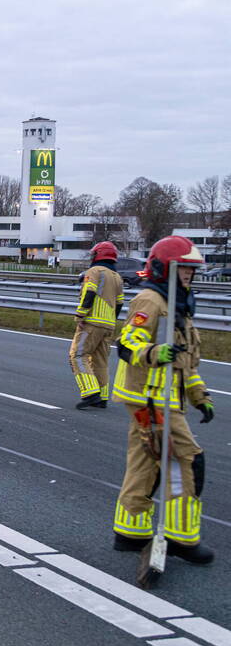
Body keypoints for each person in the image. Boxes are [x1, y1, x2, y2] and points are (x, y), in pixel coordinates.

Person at [111, 236, 215, 564]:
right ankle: (181, 537)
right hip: (152, 398)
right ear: (165, 267)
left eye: (191, 270)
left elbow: (185, 363)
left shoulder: (177, 304)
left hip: (161, 397)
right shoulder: (151, 301)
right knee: (187, 459)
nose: (188, 275)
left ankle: (129, 532)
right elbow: (128, 344)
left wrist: (200, 396)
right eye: (182, 268)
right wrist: (155, 352)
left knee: (145, 462)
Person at [69, 241, 124, 410]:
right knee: (101, 361)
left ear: (98, 255)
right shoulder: (117, 277)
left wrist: (81, 313)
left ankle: (91, 392)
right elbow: (120, 303)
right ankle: (102, 397)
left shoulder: (94, 271)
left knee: (78, 355)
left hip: (92, 321)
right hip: (109, 324)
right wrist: (111, 321)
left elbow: (89, 292)